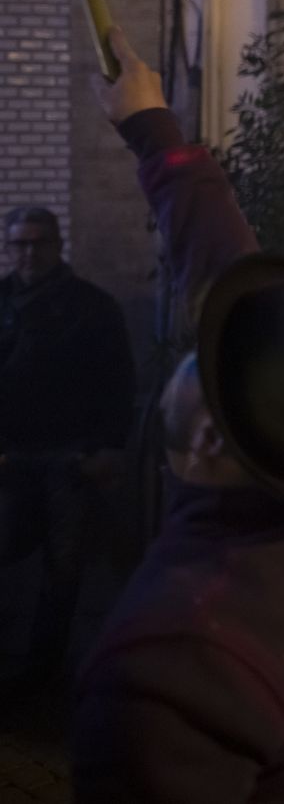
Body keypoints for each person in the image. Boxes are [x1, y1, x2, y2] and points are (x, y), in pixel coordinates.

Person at [70, 29, 284, 803]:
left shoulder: (171, 668)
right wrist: (149, 125)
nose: (206, 347)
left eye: (208, 365)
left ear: (209, 435)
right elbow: (233, 279)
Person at [0, 204, 135, 688]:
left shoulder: (93, 309)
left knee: (64, 570)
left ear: (57, 246)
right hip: (10, 458)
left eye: (39, 242)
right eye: (20, 243)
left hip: (71, 460)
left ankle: (42, 673)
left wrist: (107, 449)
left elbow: (118, 386)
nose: (29, 252)